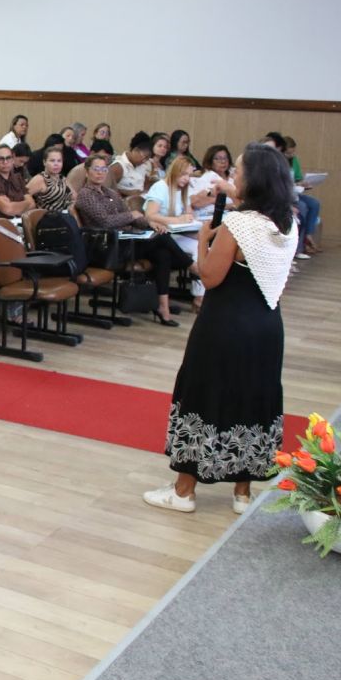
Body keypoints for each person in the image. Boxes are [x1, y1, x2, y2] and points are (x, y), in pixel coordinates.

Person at [144, 144, 299, 514]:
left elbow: (210, 277)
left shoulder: (238, 225)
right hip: (267, 324)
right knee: (252, 398)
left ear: (253, 179)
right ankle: (242, 493)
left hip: (226, 323)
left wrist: (202, 240)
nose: (232, 176)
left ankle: (184, 491)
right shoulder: (287, 223)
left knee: (205, 395)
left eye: (238, 171)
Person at [76, 153, 193, 326]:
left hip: (126, 240)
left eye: (104, 169)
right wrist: (132, 215)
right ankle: (193, 267)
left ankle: (163, 306)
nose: (100, 173)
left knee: (162, 253)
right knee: (162, 239)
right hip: (108, 247)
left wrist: (150, 223)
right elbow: (105, 221)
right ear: (87, 172)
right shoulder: (85, 195)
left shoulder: (110, 192)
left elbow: (134, 217)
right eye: (96, 169)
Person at [143, 157, 206, 309]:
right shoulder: (160, 187)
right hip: (161, 235)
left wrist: (191, 219)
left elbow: (188, 214)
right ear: (175, 171)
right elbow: (150, 215)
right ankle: (199, 295)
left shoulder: (183, 190)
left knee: (204, 246)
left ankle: (200, 293)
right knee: (198, 248)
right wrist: (177, 220)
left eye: (189, 175)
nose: (186, 178)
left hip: (178, 234)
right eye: (183, 174)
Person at [283, 135, 322, 255]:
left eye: (293, 152)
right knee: (303, 207)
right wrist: (296, 185)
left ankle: (308, 235)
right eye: (289, 153)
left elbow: (298, 178)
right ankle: (299, 247)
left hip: (295, 192)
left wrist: (304, 184)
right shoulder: (279, 162)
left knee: (314, 203)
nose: (292, 155)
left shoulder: (294, 160)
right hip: (286, 195)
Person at [0, 144, 35, 219]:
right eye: (1, 159)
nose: (5, 162)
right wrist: (26, 203)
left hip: (20, 220)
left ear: (13, 159)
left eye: (8, 158)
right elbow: (8, 209)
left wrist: (15, 206)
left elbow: (32, 204)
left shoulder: (18, 178)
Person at [27, 145, 75, 213]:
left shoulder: (62, 178)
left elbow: (75, 197)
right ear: (44, 162)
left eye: (59, 161)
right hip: (47, 216)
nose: (56, 164)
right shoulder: (40, 179)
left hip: (65, 215)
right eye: (52, 161)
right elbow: (23, 196)